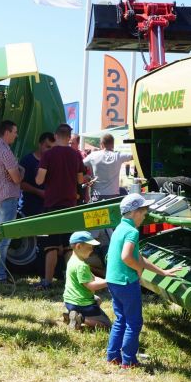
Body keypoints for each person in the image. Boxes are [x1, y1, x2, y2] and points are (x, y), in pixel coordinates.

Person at [106, 194, 180, 368]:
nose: (145, 215)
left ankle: (113, 356)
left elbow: (137, 256)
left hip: (113, 281)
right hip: (126, 282)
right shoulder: (132, 231)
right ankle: (129, 361)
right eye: (144, 211)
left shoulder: (120, 228)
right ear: (134, 212)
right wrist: (138, 269)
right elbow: (126, 257)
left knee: (121, 319)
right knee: (134, 322)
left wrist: (162, 271)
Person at [35, 123, 87, 290]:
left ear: (56, 136)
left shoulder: (48, 155)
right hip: (70, 204)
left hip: (52, 204)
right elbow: (80, 180)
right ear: (69, 137)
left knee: (51, 245)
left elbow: (39, 180)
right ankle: (71, 282)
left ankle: (48, 281)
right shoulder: (76, 155)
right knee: (68, 246)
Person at [0, 120, 22, 282]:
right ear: (7, 132)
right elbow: (16, 178)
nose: (16, 135)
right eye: (14, 131)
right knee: (5, 239)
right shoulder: (5, 152)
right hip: (8, 197)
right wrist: (22, 171)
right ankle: (0, 275)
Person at [63, 231, 112, 330]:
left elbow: (92, 277)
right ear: (79, 246)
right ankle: (81, 318)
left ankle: (72, 314)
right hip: (81, 303)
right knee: (107, 324)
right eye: (89, 247)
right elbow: (91, 285)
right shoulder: (82, 266)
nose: (92, 250)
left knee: (97, 299)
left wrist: (105, 280)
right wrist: (109, 282)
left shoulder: (72, 261)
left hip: (69, 301)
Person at [83, 134, 134, 200]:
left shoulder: (93, 156)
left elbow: (80, 165)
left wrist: (87, 176)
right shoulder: (118, 156)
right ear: (113, 144)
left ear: (101, 144)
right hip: (113, 194)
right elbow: (134, 156)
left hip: (96, 194)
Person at [19, 132, 54, 217]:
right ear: (40, 145)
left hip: (48, 210)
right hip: (29, 209)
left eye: (53, 148)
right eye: (48, 147)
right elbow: (21, 184)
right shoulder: (27, 161)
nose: (50, 150)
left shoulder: (54, 162)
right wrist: (39, 192)